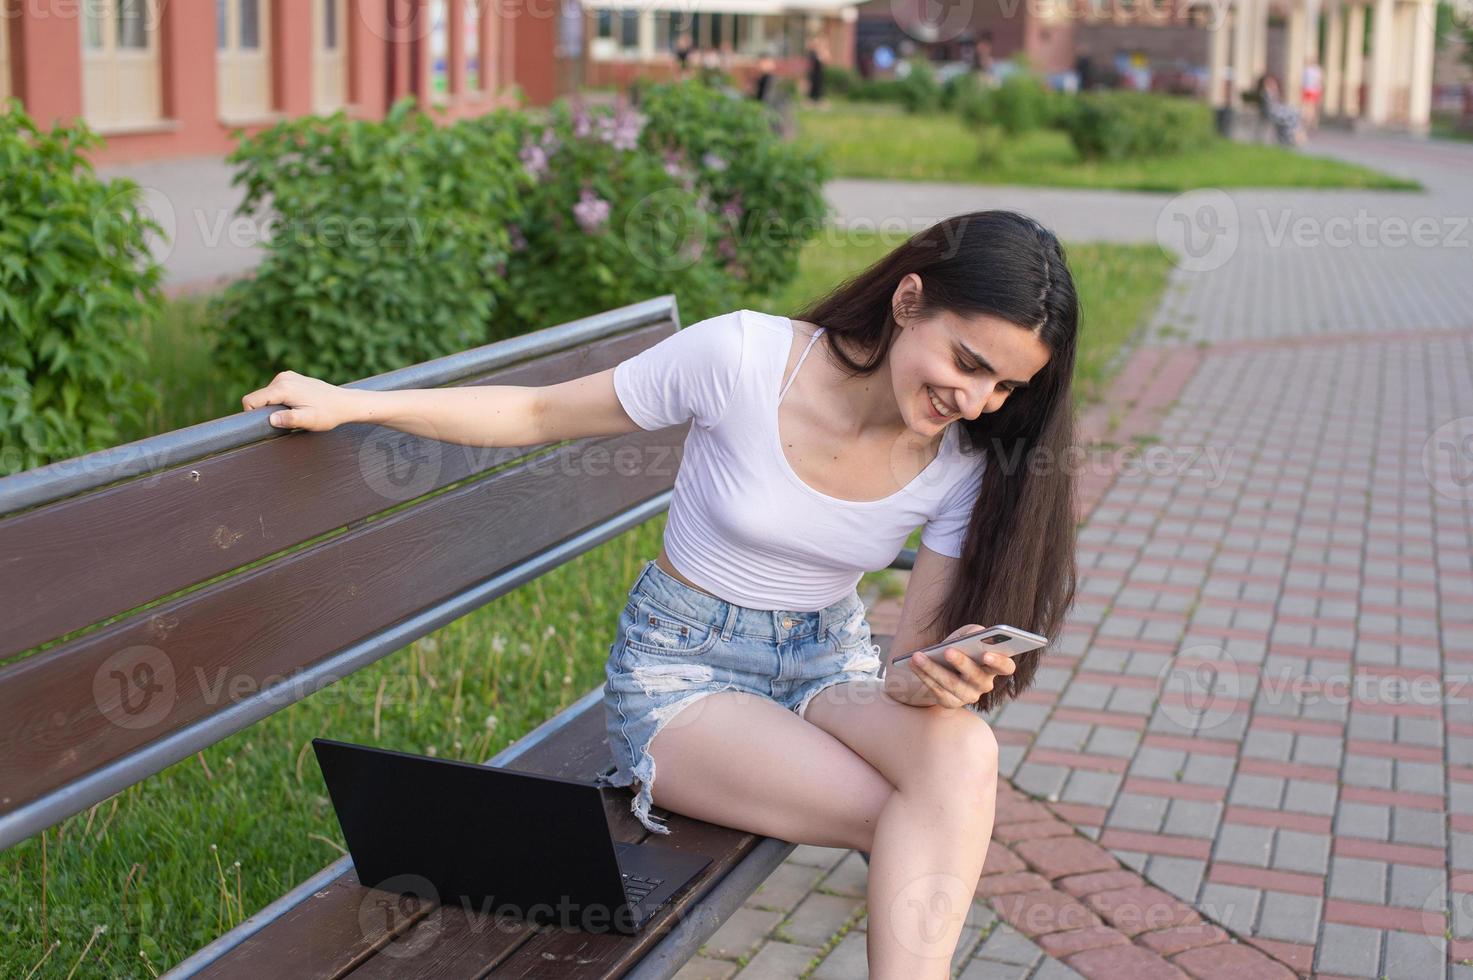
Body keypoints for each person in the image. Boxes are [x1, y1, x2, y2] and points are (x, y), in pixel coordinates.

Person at [238, 209, 1080, 975]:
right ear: (907, 301)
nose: (971, 400)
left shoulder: (960, 465)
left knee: (963, 750)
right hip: (686, 676)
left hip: (831, 666)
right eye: (967, 362)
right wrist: (355, 403)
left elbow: (900, 671)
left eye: (1003, 388)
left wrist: (929, 680)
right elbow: (537, 416)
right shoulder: (744, 358)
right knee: (912, 817)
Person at [1300, 54, 1323, 133]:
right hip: (1312, 91)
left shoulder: (1310, 70)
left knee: (1310, 108)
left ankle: (1309, 122)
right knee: (1310, 108)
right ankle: (1309, 122)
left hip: (1311, 90)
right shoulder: (1315, 70)